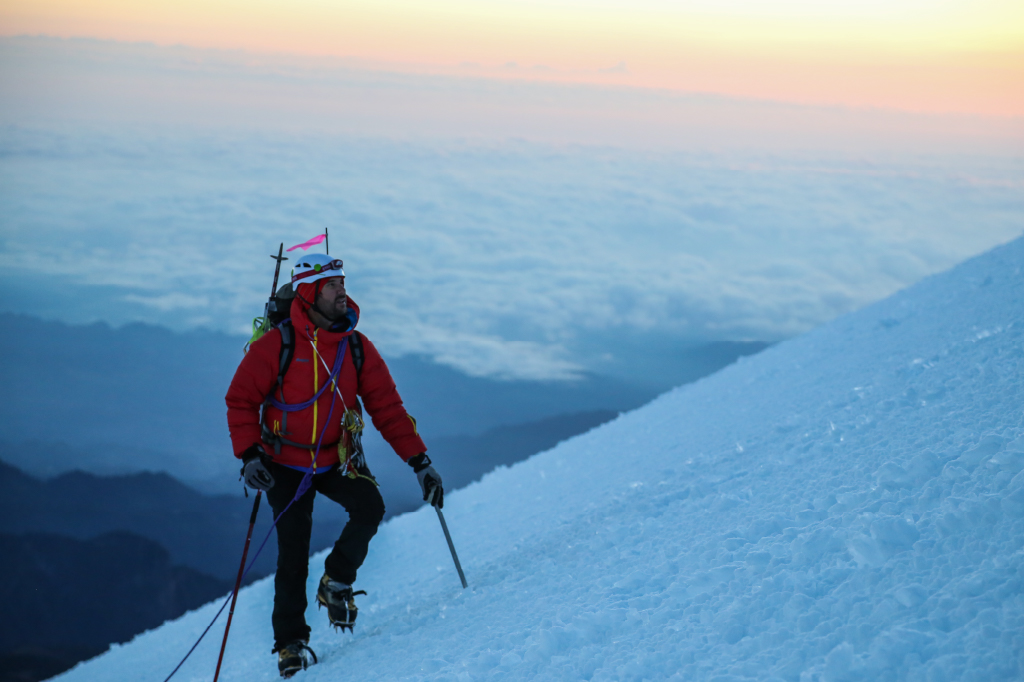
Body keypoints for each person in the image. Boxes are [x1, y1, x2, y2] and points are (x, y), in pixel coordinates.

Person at [225, 252, 443, 678]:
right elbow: (241, 400)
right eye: (331, 286)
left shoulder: (356, 347)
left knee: (370, 507)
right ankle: (291, 644)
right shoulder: (279, 344)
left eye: (342, 283)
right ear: (309, 294)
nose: (342, 291)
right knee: (293, 550)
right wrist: (250, 455)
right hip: (283, 463)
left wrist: (420, 461)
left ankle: (336, 581)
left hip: (335, 457)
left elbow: (388, 409)